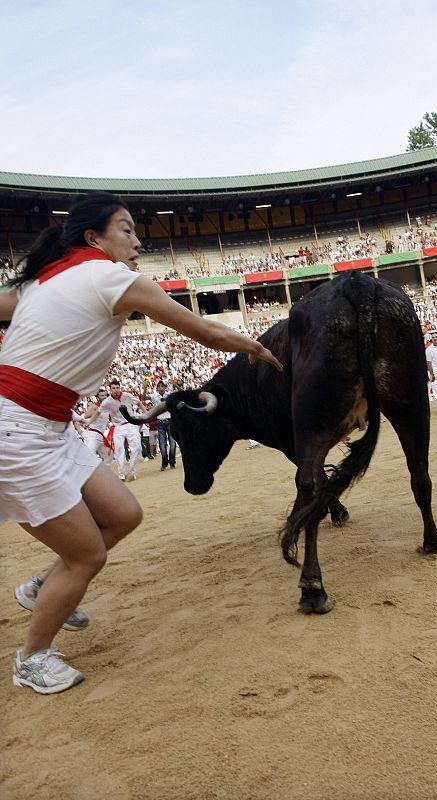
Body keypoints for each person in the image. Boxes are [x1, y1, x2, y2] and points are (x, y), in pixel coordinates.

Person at [0, 192, 282, 694]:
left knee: (124, 514)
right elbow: (207, 333)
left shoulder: (46, 279)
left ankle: (45, 586)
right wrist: (254, 344)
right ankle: (31, 658)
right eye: (126, 230)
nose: (136, 241)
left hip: (46, 428)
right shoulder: (111, 278)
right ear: (94, 238)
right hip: (19, 432)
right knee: (87, 557)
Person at [99, 378, 145, 481]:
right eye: (113, 388)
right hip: (118, 427)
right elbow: (98, 412)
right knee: (119, 450)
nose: (116, 390)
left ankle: (132, 471)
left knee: (137, 447)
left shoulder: (127, 395)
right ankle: (121, 474)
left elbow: (138, 402)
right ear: (110, 390)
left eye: (117, 387)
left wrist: (146, 414)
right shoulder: (107, 401)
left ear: (120, 388)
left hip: (130, 423)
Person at [82, 388, 113, 464]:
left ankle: (103, 472)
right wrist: (95, 414)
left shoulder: (106, 407)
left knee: (110, 455)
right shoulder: (94, 406)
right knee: (90, 456)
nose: (105, 397)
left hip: (100, 435)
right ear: (97, 397)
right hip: (93, 434)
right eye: (102, 396)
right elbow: (85, 416)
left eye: (105, 395)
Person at [151, 379, 176, 471]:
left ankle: (172, 462)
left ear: (165, 387)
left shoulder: (170, 394)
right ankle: (165, 462)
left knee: (172, 444)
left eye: (162, 386)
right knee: (162, 444)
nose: (161, 388)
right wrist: (145, 388)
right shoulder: (154, 396)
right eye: (159, 386)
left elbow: (181, 392)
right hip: (160, 422)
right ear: (157, 388)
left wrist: (175, 385)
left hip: (170, 421)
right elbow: (143, 398)